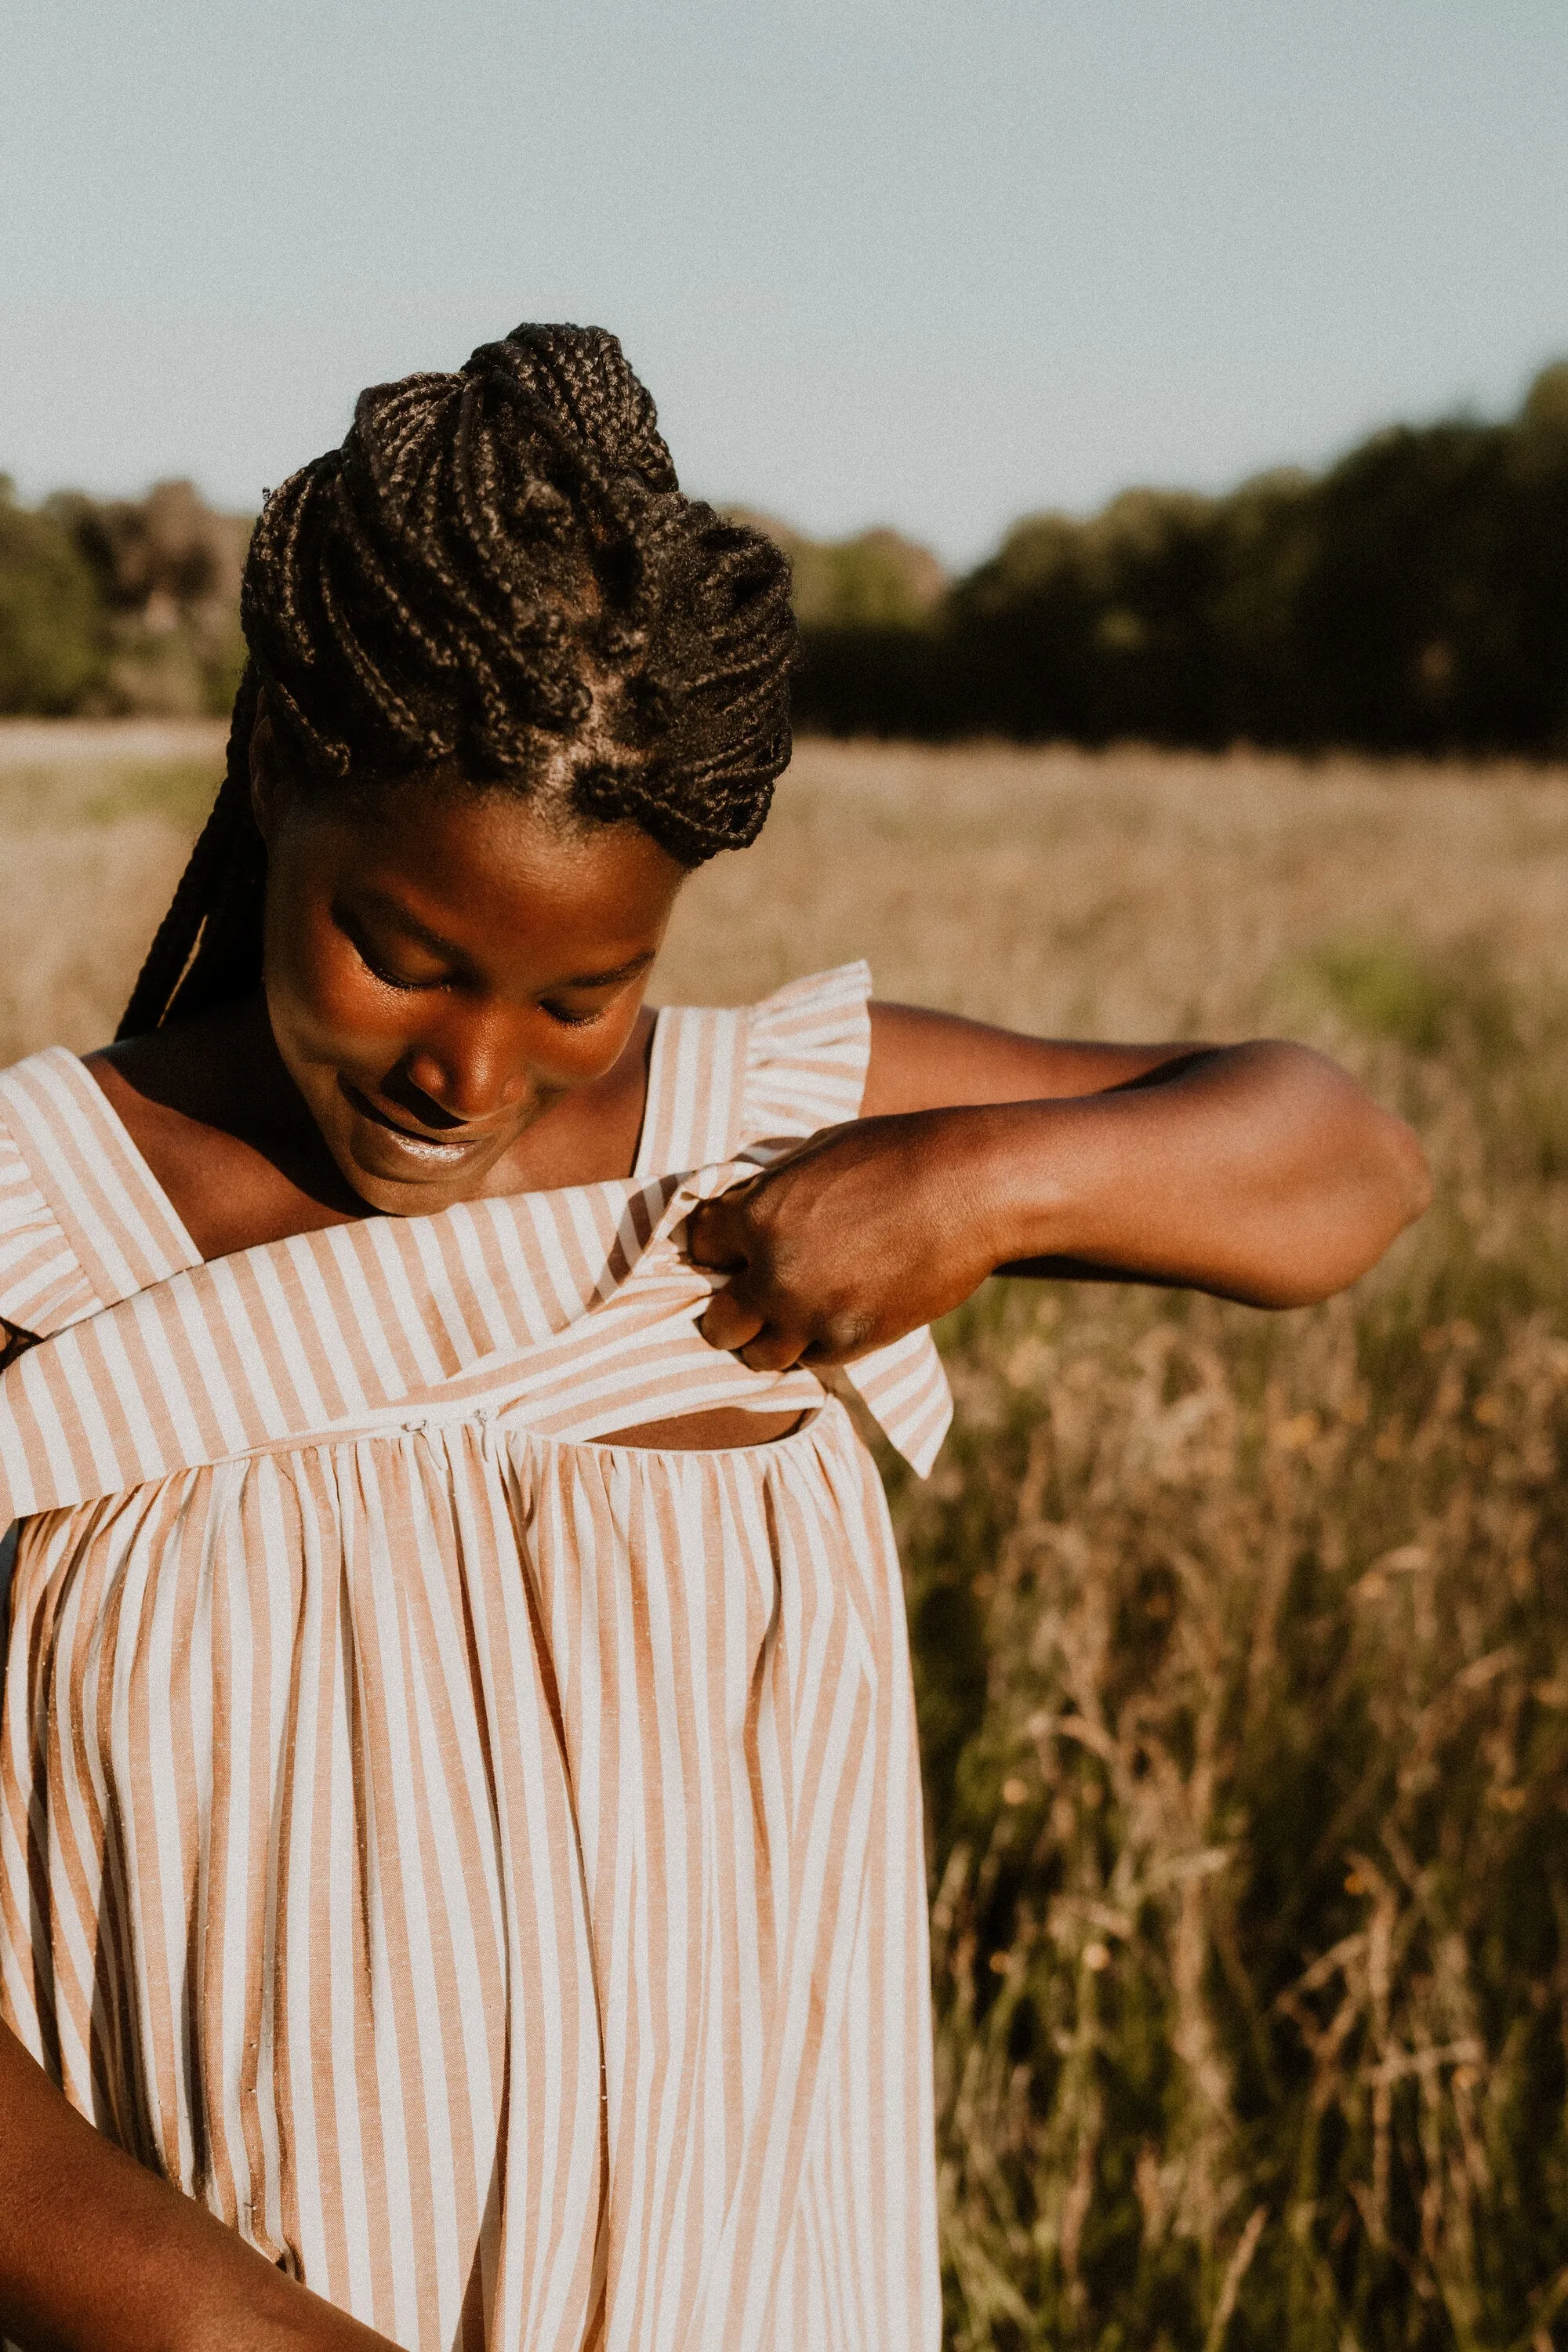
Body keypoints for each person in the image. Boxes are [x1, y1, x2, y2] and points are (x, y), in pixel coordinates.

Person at [0, 324, 1430, 2352]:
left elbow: (1345, 1158)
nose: (466, 1069)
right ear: (274, 785)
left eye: (577, 994)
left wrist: (976, 1189)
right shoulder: (47, 1219)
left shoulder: (742, 1137)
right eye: (394, 952)